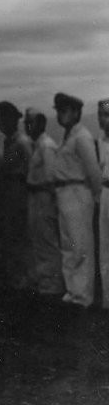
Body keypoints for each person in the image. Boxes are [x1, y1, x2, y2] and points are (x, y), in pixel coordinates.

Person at [52, 92, 102, 308]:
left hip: (78, 192)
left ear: (75, 113)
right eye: (59, 111)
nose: (60, 116)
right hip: (64, 194)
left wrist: (97, 197)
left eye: (64, 111)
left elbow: (94, 171)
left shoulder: (81, 137)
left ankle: (83, 295)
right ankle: (73, 291)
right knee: (68, 244)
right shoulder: (69, 135)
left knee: (80, 245)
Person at [24, 108, 64, 297]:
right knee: (39, 240)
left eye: (30, 122)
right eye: (26, 122)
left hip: (44, 198)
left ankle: (53, 285)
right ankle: (45, 282)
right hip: (36, 198)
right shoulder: (38, 145)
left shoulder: (47, 146)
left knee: (47, 241)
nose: (27, 126)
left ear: (40, 123)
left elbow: (50, 176)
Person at [0, 100, 33, 290]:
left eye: (5, 119)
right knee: (11, 234)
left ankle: (25, 280)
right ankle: (16, 279)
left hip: (21, 193)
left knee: (21, 234)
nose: (1, 123)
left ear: (14, 120)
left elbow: (32, 170)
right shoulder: (8, 142)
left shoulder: (22, 142)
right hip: (10, 194)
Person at [97, 98, 109, 310]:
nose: (103, 119)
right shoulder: (100, 141)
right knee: (105, 246)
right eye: (101, 115)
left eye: (107, 115)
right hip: (105, 193)